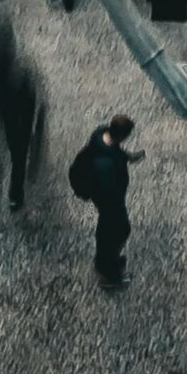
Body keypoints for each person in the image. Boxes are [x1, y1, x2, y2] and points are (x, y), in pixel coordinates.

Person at [0, 22, 45, 212]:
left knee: (18, 154)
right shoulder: (7, 61)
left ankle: (14, 194)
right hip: (14, 113)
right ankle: (15, 195)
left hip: (15, 112)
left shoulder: (6, 61)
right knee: (18, 154)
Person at [72, 115, 142, 283]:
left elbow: (115, 150)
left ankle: (105, 261)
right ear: (121, 135)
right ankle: (108, 273)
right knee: (117, 230)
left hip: (108, 199)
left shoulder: (102, 133)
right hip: (110, 202)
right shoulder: (105, 165)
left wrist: (128, 157)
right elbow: (107, 190)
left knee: (109, 230)